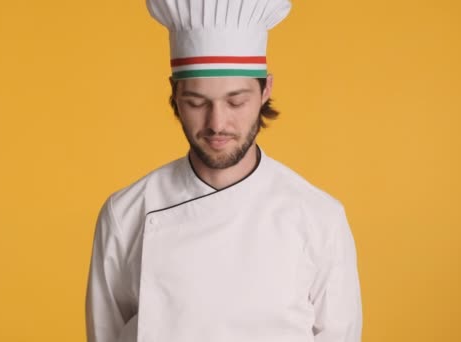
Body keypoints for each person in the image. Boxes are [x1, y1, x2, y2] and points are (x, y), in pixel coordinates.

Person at [85, 1, 362, 341]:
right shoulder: (125, 214)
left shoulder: (320, 218)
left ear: (266, 91)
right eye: (197, 102)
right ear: (175, 94)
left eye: (235, 101)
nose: (217, 124)